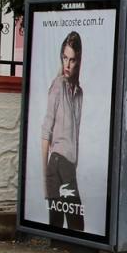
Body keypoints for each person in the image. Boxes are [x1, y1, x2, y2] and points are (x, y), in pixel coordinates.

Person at [41, 31, 84, 231]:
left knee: (60, 221)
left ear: (78, 61)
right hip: (57, 161)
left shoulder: (79, 93)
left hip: (68, 164)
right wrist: (44, 176)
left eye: (72, 60)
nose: (67, 65)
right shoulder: (57, 85)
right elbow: (46, 130)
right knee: (73, 221)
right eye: (64, 58)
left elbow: (76, 132)